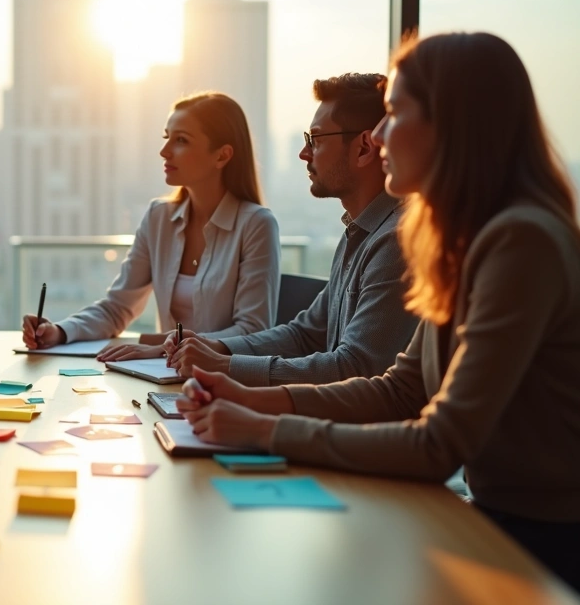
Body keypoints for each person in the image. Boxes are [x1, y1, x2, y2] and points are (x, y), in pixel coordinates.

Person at [175, 33, 580, 591]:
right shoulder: (459, 241)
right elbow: (398, 390)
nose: (382, 135)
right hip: (492, 522)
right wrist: (246, 395)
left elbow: (437, 444)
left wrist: (265, 427)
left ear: (452, 127)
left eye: (396, 114)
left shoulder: (520, 241)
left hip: (541, 545)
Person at [164, 74, 419, 384]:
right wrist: (215, 347)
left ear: (364, 148)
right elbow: (305, 335)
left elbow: (355, 368)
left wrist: (224, 366)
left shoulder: (395, 242)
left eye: (316, 139)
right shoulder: (358, 232)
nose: (304, 153)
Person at [22, 92, 280, 361]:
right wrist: (60, 331)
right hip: (165, 376)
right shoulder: (159, 217)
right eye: (166, 137)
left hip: (223, 382)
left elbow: (253, 331)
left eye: (181, 140)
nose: (164, 151)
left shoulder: (256, 225)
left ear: (222, 155)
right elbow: (117, 308)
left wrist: (161, 348)